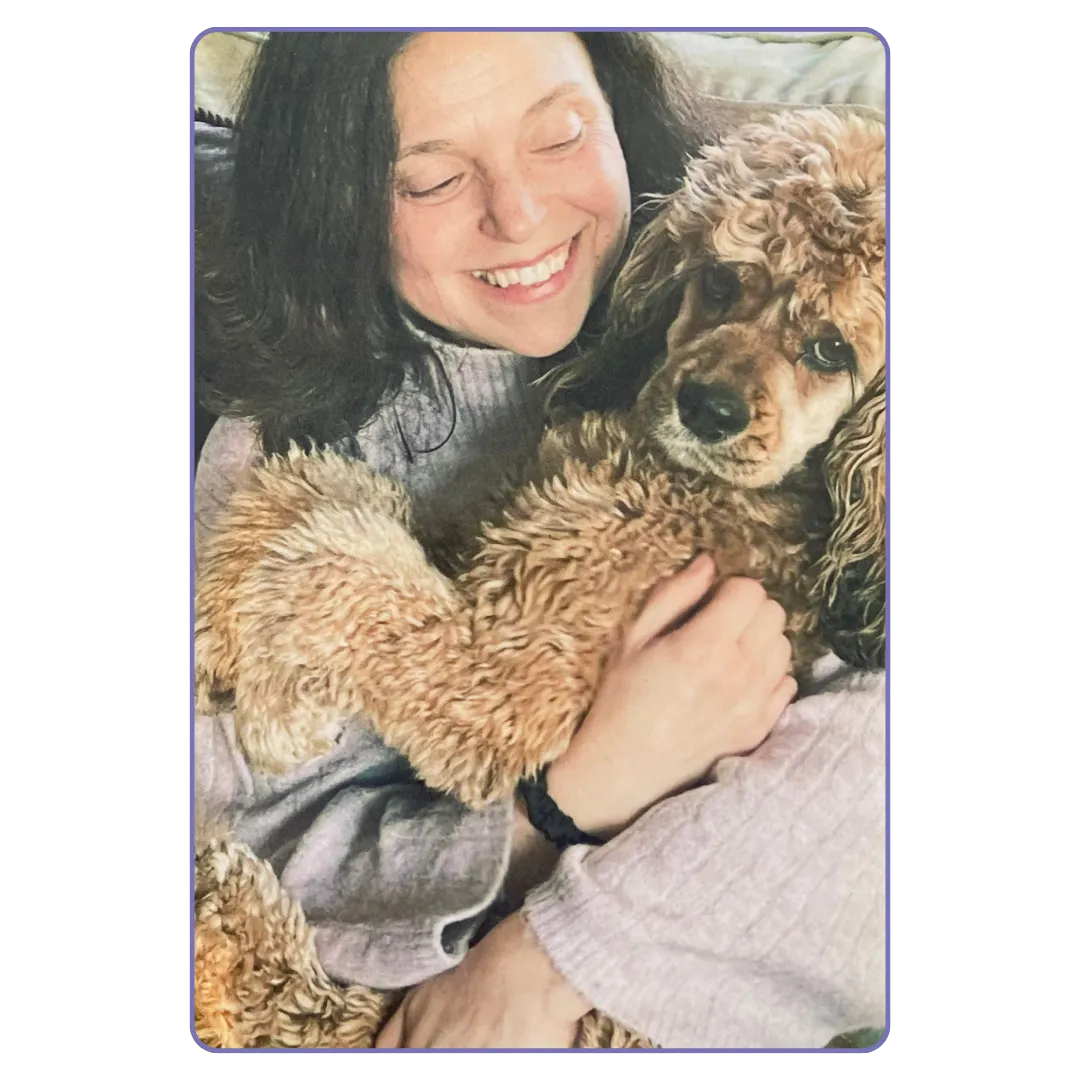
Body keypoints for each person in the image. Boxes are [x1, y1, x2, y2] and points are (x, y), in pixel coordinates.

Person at [193, 30, 886, 1050]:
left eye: (560, 135)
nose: (518, 215)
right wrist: (567, 803)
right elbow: (247, 841)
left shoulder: (766, 227)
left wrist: (558, 956)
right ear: (336, 197)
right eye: (430, 179)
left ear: (615, 112)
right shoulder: (281, 447)